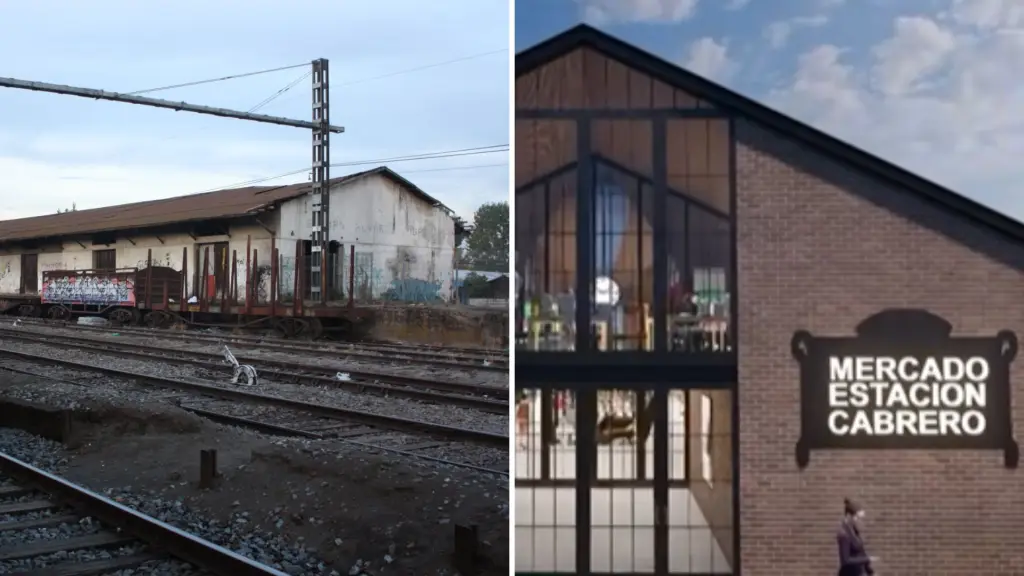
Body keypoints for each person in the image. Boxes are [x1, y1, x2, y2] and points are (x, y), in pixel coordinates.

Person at [837, 498, 877, 576]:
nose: (858, 520)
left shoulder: (854, 530)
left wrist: (870, 571)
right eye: (857, 517)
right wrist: (867, 559)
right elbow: (845, 560)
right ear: (849, 516)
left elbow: (861, 551)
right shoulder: (844, 534)